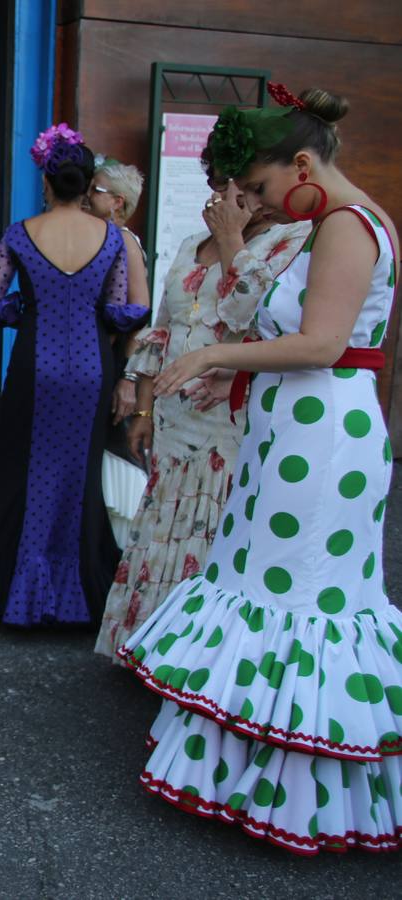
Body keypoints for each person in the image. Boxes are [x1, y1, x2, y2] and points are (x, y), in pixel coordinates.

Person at [122, 86, 401, 855]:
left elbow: (319, 345)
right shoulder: (327, 226)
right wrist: (230, 373)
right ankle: (247, 776)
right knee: (264, 588)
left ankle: (297, 796)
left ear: (304, 163)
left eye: (264, 187)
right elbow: (298, 343)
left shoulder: (346, 225)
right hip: (293, 431)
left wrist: (211, 352)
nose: (258, 202)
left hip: (322, 441)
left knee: (299, 596)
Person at [0, 125, 149, 627]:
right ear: (87, 186)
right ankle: (75, 594)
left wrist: (29, 302)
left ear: (46, 182)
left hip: (34, 367)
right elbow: (121, 312)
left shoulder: (19, 234)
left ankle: (14, 585)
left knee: (22, 471)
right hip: (90, 369)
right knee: (77, 478)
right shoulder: (112, 239)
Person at [94, 149, 309, 662]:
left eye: (243, 187)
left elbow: (259, 312)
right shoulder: (192, 244)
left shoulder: (291, 240)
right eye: (219, 185)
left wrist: (235, 239)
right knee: (164, 523)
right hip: (174, 413)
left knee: (213, 531)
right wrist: (142, 404)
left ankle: (195, 661)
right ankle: (145, 648)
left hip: (232, 414)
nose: (227, 197)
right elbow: (162, 327)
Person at [82, 159, 152, 545]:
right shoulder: (99, 239)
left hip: (115, 363)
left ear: (118, 203)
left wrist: (127, 379)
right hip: (99, 359)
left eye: (96, 189)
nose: (87, 195)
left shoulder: (123, 242)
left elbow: (140, 316)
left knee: (111, 450)